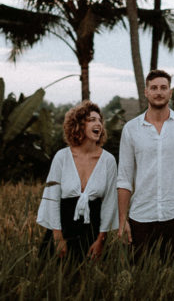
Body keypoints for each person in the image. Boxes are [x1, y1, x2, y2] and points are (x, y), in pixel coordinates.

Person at [117, 69, 174, 257]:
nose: (159, 92)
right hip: (141, 217)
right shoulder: (131, 129)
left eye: (163, 87)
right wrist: (122, 220)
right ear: (146, 92)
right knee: (141, 280)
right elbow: (123, 179)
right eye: (154, 88)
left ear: (170, 92)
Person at [36, 100, 118, 260]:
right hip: (62, 228)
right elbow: (52, 198)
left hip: (92, 232)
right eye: (92, 119)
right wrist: (58, 237)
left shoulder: (108, 160)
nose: (98, 123)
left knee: (88, 282)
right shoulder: (62, 157)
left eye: (100, 120)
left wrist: (101, 239)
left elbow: (110, 203)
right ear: (79, 125)